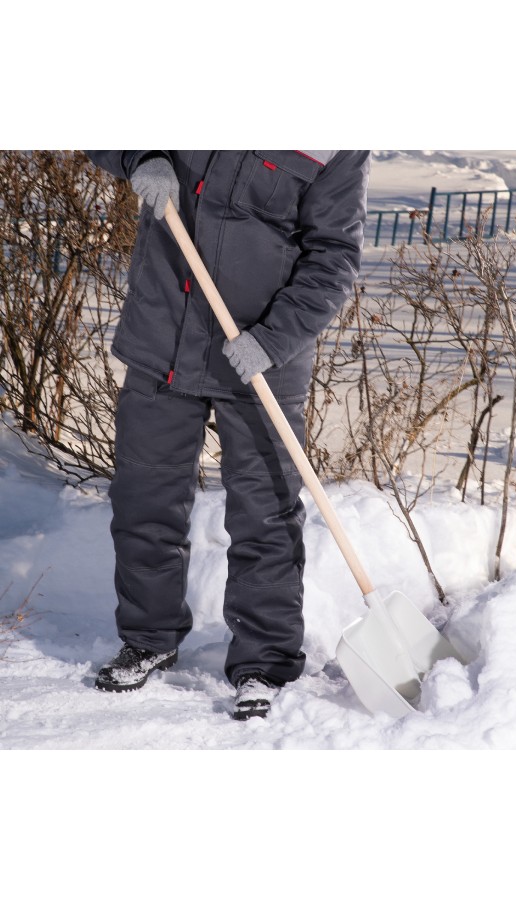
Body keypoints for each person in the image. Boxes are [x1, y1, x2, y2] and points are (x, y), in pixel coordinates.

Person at [85, 150, 371, 719]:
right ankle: (147, 638)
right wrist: (135, 156)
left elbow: (334, 256)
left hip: (261, 359)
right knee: (145, 502)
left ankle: (264, 662)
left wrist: (274, 338)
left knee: (264, 515)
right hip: (163, 339)